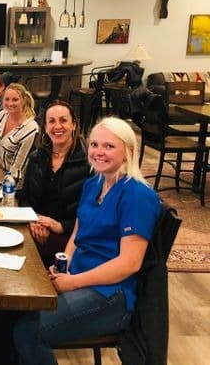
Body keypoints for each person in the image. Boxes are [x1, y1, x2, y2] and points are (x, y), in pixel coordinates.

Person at [12, 117, 161, 365]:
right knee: (11, 312)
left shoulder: (137, 195)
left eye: (109, 146)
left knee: (27, 332)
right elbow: (77, 235)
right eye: (94, 145)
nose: (98, 152)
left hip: (110, 295)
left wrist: (72, 282)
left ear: (129, 151)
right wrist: (64, 263)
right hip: (79, 277)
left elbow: (130, 263)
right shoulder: (94, 184)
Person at [17, 100, 90, 267]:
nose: (57, 126)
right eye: (51, 121)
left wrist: (60, 226)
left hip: (69, 239)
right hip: (35, 229)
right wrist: (33, 220)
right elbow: (24, 197)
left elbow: (91, 216)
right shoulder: (37, 157)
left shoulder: (88, 164)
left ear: (74, 125)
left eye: (63, 120)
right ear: (45, 127)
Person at [0, 83, 39, 179]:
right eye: (7, 99)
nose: (10, 104)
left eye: (15, 100)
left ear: (23, 101)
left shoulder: (30, 129)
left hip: (11, 182)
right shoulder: (2, 115)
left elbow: (17, 170)